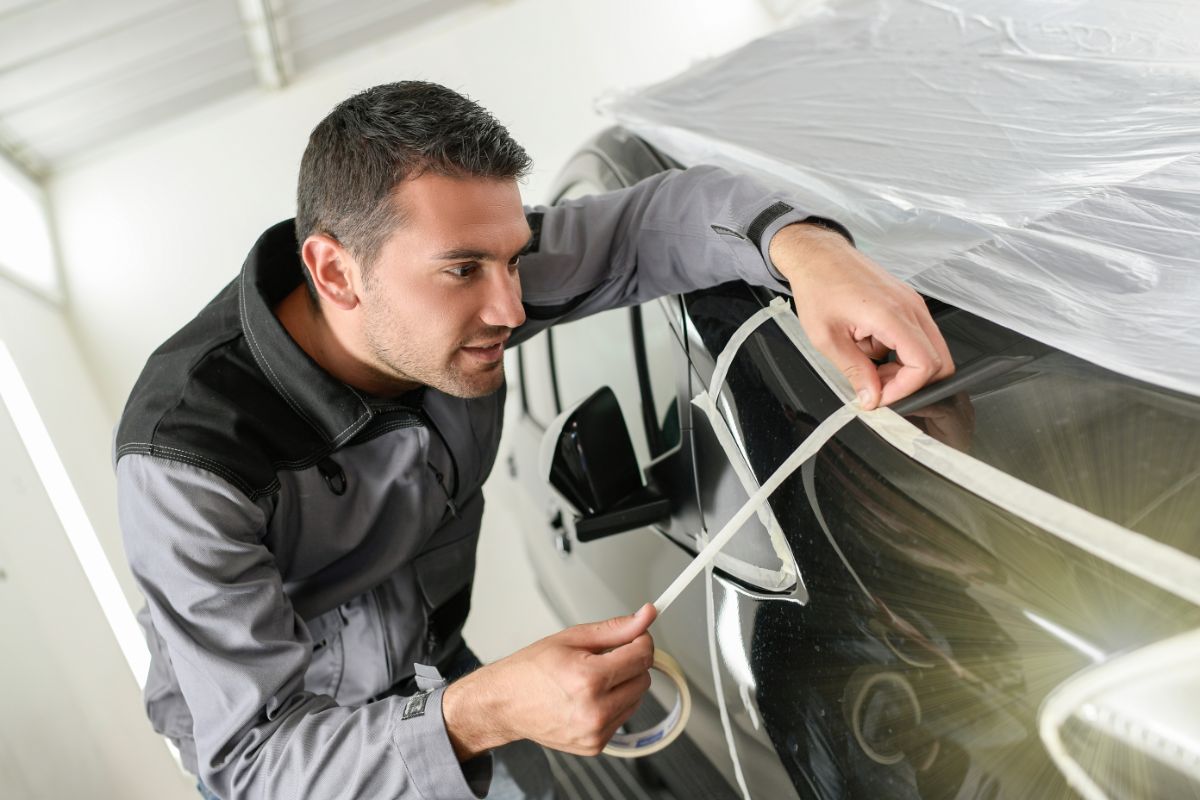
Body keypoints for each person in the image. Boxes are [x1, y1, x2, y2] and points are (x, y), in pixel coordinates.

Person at [115, 81, 953, 800]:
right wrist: (488, 711)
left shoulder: (446, 285)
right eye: (465, 270)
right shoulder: (188, 461)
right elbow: (256, 766)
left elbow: (656, 220)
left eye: (514, 260)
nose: (513, 310)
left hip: (438, 683)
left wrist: (808, 251)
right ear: (335, 271)